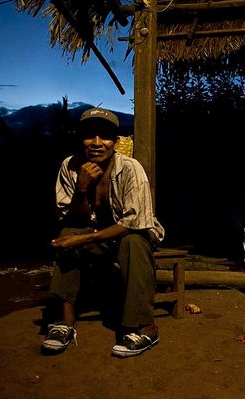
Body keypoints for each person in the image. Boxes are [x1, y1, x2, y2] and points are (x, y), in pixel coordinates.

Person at [42, 107, 165, 358]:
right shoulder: (70, 166)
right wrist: (81, 188)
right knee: (68, 232)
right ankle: (64, 322)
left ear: (115, 142)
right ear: (80, 139)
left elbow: (134, 224)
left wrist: (82, 238)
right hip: (96, 234)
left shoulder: (130, 168)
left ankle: (144, 327)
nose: (97, 143)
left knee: (133, 242)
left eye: (105, 136)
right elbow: (70, 218)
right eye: (90, 135)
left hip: (132, 234)